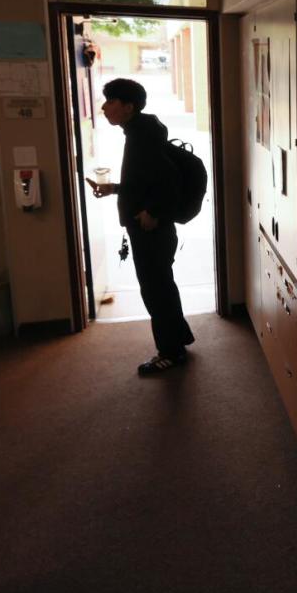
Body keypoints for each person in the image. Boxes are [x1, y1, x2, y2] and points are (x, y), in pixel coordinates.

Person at [88, 78, 195, 375]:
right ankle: (179, 338)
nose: (104, 107)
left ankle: (170, 352)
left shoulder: (143, 137)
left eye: (110, 101)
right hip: (150, 228)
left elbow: (168, 182)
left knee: (155, 289)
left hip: (151, 230)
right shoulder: (139, 132)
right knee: (162, 285)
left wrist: (154, 212)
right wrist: (115, 189)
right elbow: (145, 182)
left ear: (128, 106)